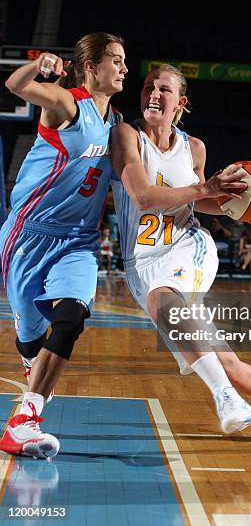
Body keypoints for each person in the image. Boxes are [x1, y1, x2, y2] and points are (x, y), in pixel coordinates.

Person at [111, 63, 251, 447]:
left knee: (164, 301)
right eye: (147, 87)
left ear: (181, 102)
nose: (153, 94)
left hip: (188, 248)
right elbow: (143, 196)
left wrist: (234, 205)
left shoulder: (193, 147)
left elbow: (199, 201)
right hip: (141, 264)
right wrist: (206, 190)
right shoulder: (126, 135)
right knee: (224, 362)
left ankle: (227, 401)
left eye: (164, 89)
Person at [0, 32, 127, 459]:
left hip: (78, 241)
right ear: (91, 68)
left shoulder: (118, 124)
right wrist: (39, 64)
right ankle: (31, 363)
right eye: (115, 60)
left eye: (124, 61)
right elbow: (16, 87)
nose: (124, 68)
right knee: (30, 342)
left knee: (71, 317)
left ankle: (23, 421)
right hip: (28, 235)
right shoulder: (67, 104)